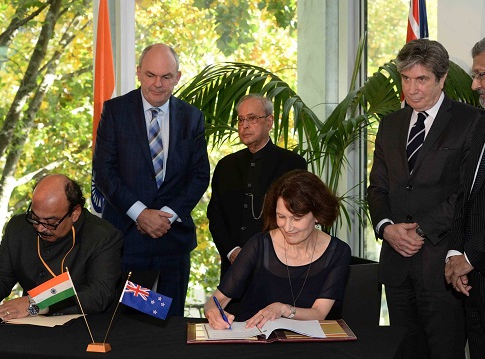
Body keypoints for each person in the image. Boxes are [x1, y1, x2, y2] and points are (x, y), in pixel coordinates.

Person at [367, 39, 483, 359]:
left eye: (422, 80)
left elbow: (467, 193)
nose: (412, 90)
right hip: (396, 266)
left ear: (442, 78)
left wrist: (420, 231)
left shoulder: (470, 121)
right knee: (404, 352)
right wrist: (387, 228)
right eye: (406, 79)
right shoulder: (390, 125)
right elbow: (376, 188)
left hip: (442, 266)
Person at [92, 43, 210, 317]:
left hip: (172, 245)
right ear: (138, 73)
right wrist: (140, 214)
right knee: (132, 324)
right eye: (150, 75)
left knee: (168, 323)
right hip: (128, 242)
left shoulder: (192, 118)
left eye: (166, 77)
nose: (157, 84)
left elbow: (199, 175)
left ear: (178, 77)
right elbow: (104, 171)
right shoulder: (115, 112)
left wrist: (165, 216)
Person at [0, 174, 123, 320]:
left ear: (75, 213)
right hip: (31, 326)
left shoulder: (103, 236)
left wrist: (36, 303)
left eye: (50, 223)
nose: (40, 228)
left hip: (83, 327)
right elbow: (0, 275)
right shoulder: (18, 227)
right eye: (35, 218)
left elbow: (98, 294)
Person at [204, 169, 351, 330]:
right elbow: (216, 300)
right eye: (281, 217)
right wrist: (212, 311)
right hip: (255, 338)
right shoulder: (259, 245)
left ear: (317, 215)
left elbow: (319, 313)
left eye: (297, 218)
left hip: (307, 344)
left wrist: (283, 309)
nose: (287, 227)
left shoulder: (338, 252)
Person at [207, 93, 307, 283]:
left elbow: (297, 217)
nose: (244, 126)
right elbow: (215, 214)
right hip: (233, 267)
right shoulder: (226, 165)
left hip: (277, 267)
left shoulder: (292, 164)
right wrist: (231, 251)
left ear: (269, 122)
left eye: (252, 119)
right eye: (241, 120)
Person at [444, 34, 485, 359]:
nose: (474, 85)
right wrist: (453, 254)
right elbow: (464, 195)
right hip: (473, 285)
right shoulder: (482, 124)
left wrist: (470, 258)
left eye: (481, 74)